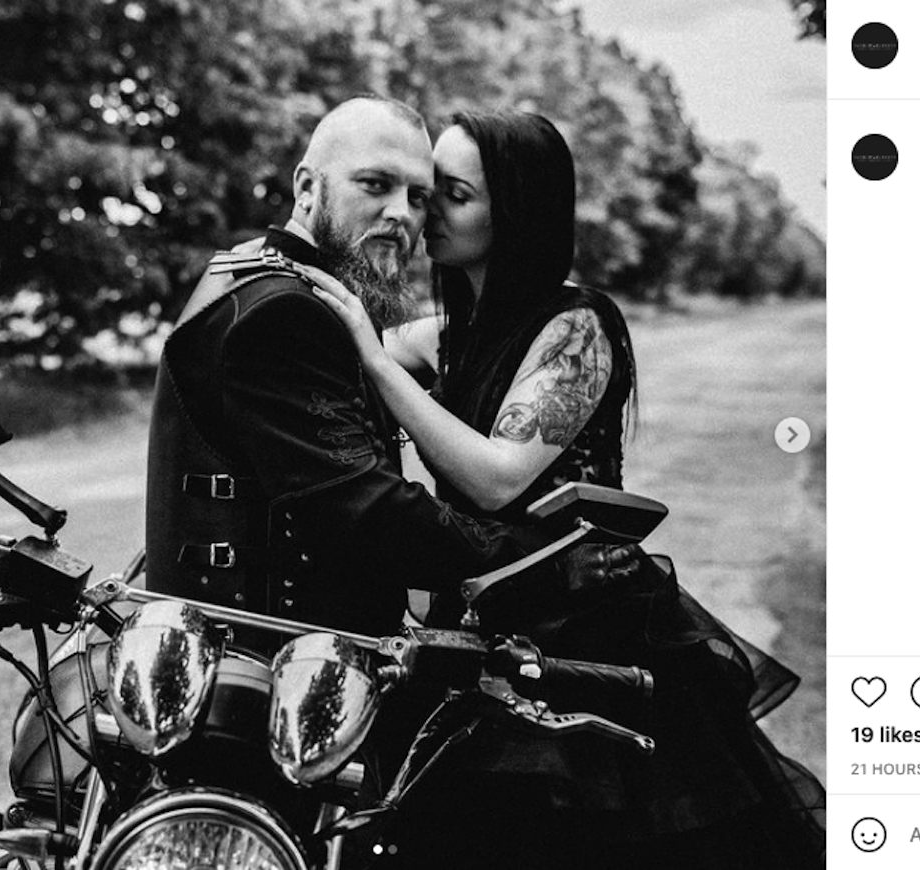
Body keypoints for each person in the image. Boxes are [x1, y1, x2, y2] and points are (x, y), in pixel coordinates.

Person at [302, 110, 825, 869]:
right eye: (419, 192)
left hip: (582, 625)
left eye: (450, 194)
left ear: (512, 211)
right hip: (478, 616)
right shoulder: (448, 334)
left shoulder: (576, 323)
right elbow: (322, 355)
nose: (423, 214)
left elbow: (494, 477)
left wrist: (376, 365)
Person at [145, 96, 602, 642]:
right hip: (271, 664)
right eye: (375, 184)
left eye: (421, 196)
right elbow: (372, 514)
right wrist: (547, 558)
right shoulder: (289, 310)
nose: (404, 214)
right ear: (307, 188)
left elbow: (407, 352)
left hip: (287, 654)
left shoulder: (264, 277)